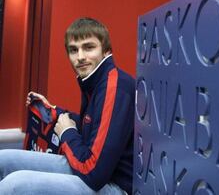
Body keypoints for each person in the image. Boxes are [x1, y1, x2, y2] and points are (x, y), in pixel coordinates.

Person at [0, 17, 135, 194]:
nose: (80, 57)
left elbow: (93, 172)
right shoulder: (95, 81)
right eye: (73, 50)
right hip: (97, 174)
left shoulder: (115, 87)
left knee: (14, 185)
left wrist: (66, 132)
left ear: (106, 51)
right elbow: (93, 124)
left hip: (115, 186)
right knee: (3, 159)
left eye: (89, 47)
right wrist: (54, 112)